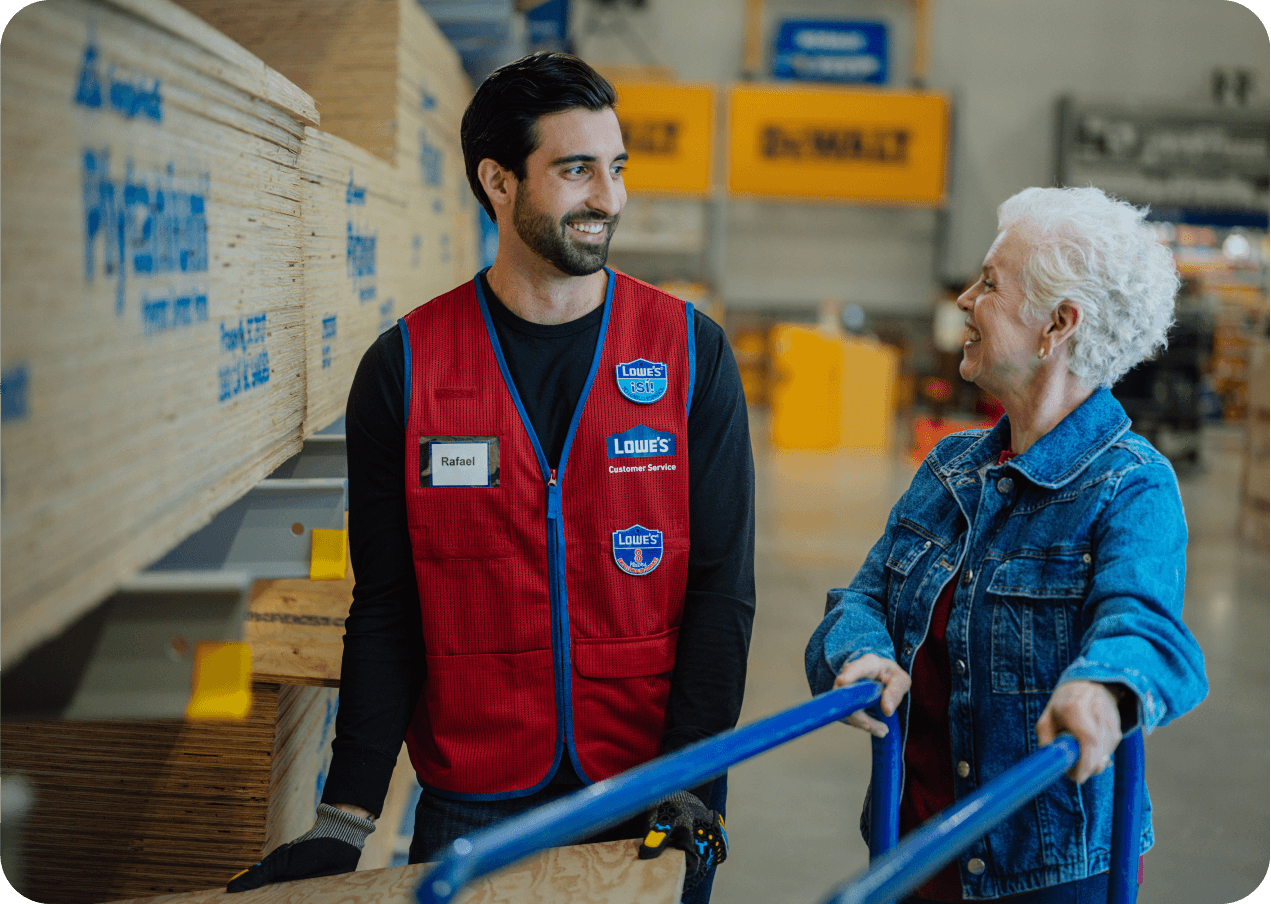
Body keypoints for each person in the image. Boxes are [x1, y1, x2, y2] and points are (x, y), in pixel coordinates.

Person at [226, 53, 755, 901]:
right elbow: (388, 605)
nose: (608, 198)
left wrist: (694, 778)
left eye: (615, 169)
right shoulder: (406, 369)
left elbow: (723, 589)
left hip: (646, 794)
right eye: (576, 170)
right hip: (473, 804)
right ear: (498, 181)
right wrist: (346, 816)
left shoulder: (689, 354)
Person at [805, 186, 1208, 903]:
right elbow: (861, 598)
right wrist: (859, 651)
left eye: (988, 284)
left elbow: (1145, 629)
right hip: (911, 850)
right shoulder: (949, 467)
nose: (963, 299)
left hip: (1044, 873)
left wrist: (1101, 687)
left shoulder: (1129, 485)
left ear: (1058, 324)